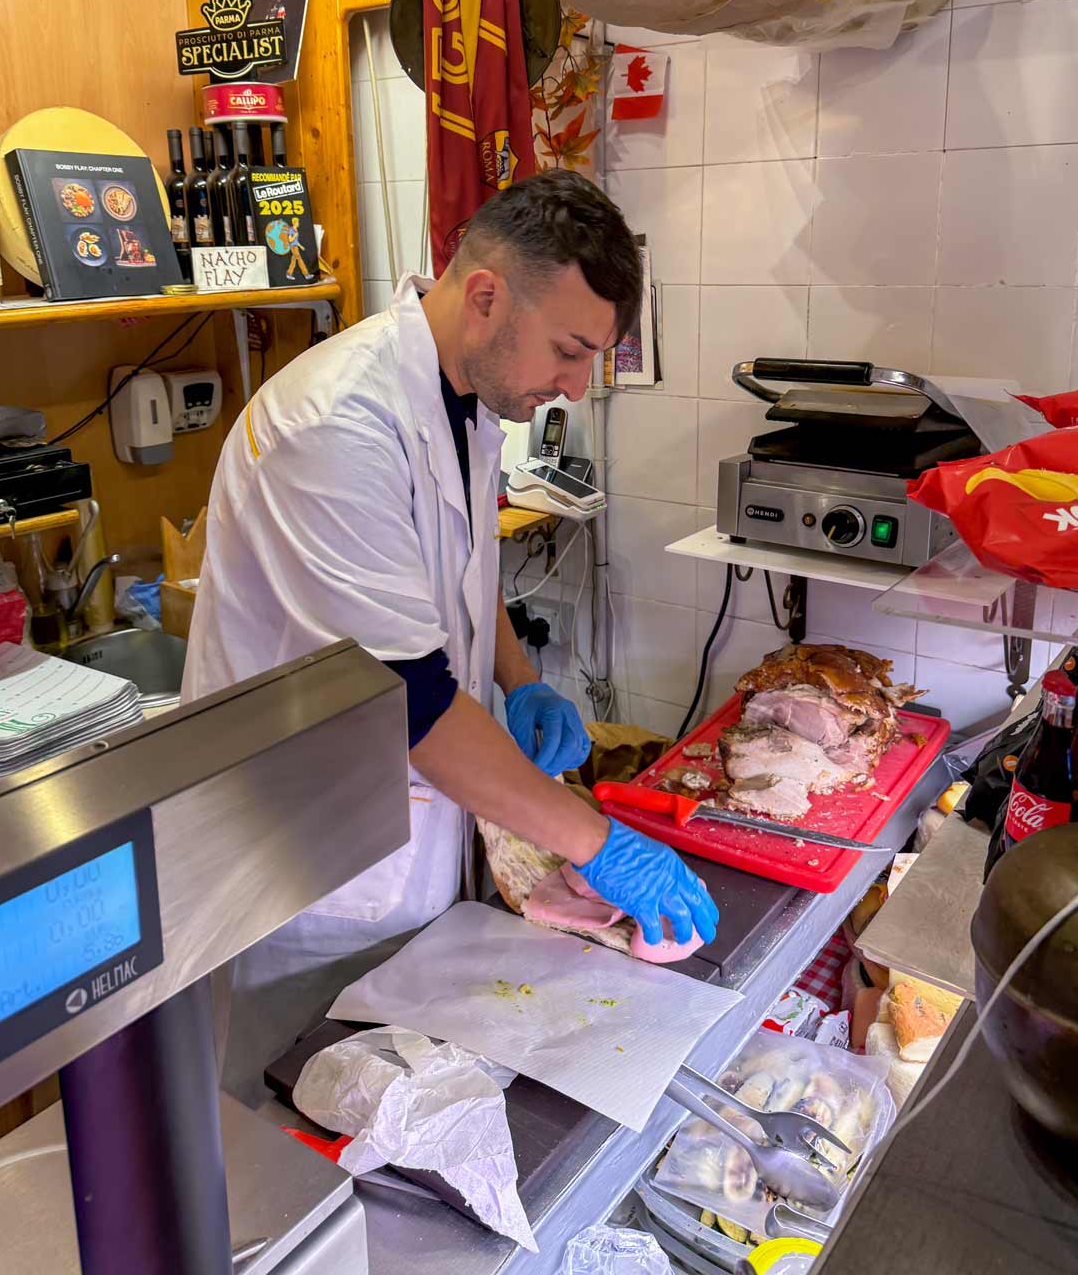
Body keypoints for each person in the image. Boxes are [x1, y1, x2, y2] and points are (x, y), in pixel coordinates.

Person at [182, 169, 718, 1102]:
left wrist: (517, 676)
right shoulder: (338, 427)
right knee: (297, 1127)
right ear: (483, 297)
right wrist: (600, 846)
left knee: (402, 1108)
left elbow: (455, 578)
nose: (573, 386)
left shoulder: (464, 394)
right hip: (310, 862)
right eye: (568, 350)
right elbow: (412, 704)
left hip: (411, 835)